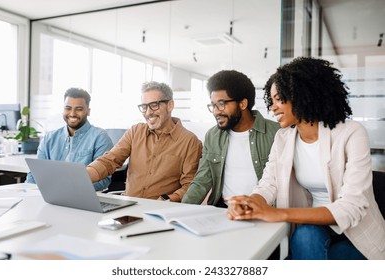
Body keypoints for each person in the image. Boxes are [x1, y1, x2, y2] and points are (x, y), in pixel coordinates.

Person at [226, 57, 385, 260]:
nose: (273, 107)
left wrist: (279, 214)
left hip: (356, 233)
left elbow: (352, 206)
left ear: (302, 95)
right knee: (305, 236)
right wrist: (252, 202)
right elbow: (269, 183)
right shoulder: (283, 138)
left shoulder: (351, 133)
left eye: (279, 99)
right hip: (313, 226)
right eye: (271, 100)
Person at [87, 81, 202, 202]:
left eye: (154, 105)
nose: (148, 112)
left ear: (170, 105)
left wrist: (168, 198)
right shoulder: (135, 132)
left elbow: (189, 185)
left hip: (161, 211)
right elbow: (109, 161)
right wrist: (83, 176)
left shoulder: (190, 141)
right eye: (144, 107)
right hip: (128, 207)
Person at [182, 70, 280, 207]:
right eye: (213, 105)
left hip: (265, 210)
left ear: (242, 104)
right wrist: (181, 209)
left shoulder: (277, 133)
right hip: (224, 210)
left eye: (221, 104)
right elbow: (201, 181)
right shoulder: (213, 136)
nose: (216, 111)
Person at [25, 88, 114, 191]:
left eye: (79, 109)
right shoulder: (49, 138)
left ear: (88, 111)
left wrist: (66, 189)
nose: (72, 113)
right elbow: (35, 174)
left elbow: (103, 181)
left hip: (82, 199)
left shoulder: (100, 137)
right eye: (68, 108)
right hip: (49, 197)